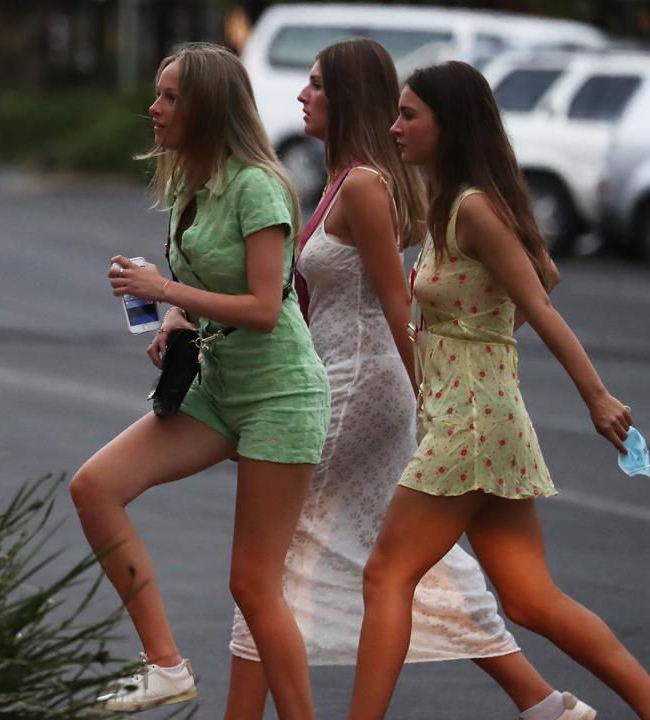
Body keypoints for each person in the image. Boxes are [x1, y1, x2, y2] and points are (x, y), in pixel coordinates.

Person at [224, 38, 595, 720]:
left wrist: (430, 388)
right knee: (399, 563)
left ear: (346, 97)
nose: (301, 96)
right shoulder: (344, 180)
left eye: (314, 85)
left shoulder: (366, 184)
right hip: (349, 379)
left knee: (271, 564)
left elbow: (400, 300)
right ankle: (540, 701)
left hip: (364, 386)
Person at [348, 60, 650, 720]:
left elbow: (541, 301)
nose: (395, 126)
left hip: (471, 423)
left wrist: (596, 396)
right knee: (530, 600)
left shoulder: (472, 208)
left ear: (447, 123)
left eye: (409, 114)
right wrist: (479, 333)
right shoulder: (450, 204)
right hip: (479, 417)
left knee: (386, 575)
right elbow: (544, 270)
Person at [70, 42, 329, 717]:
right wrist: (173, 314)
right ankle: (164, 666)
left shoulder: (257, 185)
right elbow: (210, 282)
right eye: (157, 94)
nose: (153, 109)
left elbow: (267, 308)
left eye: (170, 97)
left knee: (253, 584)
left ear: (209, 106)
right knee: (95, 487)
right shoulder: (191, 179)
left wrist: (164, 287)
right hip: (219, 383)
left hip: (281, 393)